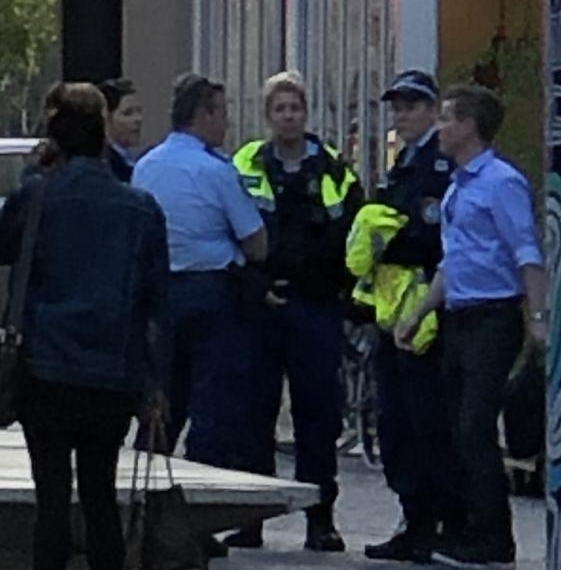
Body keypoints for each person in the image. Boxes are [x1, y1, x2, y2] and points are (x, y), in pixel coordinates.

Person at [0, 83, 170, 570]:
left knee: (51, 498)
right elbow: (157, 303)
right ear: (102, 138)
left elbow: (4, 247)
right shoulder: (141, 208)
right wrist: (155, 382)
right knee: (100, 494)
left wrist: (36, 171)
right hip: (112, 374)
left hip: (46, 369)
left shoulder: (37, 196)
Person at [396, 85, 545, 567]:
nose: (439, 128)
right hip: (458, 314)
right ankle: (465, 527)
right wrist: (419, 312)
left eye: (446, 119)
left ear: (468, 127)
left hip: (493, 316)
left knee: (476, 427)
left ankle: (494, 540)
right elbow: (453, 260)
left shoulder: (501, 182)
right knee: (458, 429)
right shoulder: (459, 184)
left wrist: (537, 318)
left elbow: (525, 250)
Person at [230, 70, 363, 551]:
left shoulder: (333, 169)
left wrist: (335, 290)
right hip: (261, 307)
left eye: (295, 108)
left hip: (315, 307)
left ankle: (320, 518)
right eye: (280, 109)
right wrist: (255, 285)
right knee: (254, 416)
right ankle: (251, 517)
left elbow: (354, 235)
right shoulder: (244, 163)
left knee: (318, 417)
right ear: (268, 116)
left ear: (306, 114)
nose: (289, 116)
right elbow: (228, 229)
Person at [132, 72, 267, 468]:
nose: (226, 123)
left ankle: (142, 500)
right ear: (203, 115)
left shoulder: (146, 167)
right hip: (212, 295)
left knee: (160, 403)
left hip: (159, 296)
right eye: (222, 113)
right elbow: (257, 244)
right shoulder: (217, 171)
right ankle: (197, 500)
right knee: (213, 406)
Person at [362, 70, 464, 562]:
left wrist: (385, 242)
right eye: (397, 106)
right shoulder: (402, 160)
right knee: (395, 423)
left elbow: (429, 234)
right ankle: (414, 517)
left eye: (412, 105)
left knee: (427, 422)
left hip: (427, 311)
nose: (402, 114)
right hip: (393, 311)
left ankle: (438, 521)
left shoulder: (439, 164)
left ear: (431, 108)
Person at [98, 78, 143, 181]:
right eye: (128, 113)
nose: (138, 119)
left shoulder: (136, 160)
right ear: (106, 118)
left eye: (139, 111)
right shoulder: (105, 166)